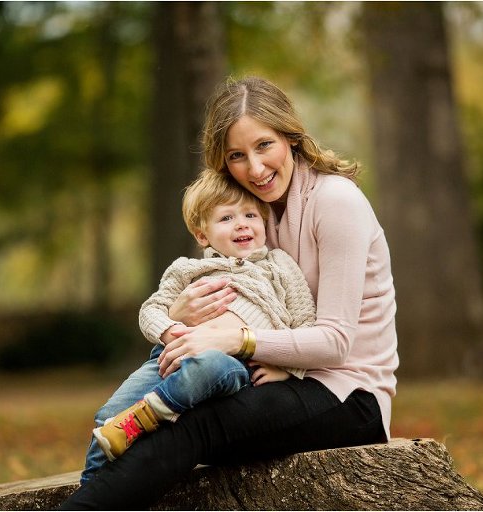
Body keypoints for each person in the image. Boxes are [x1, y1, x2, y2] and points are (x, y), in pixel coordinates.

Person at [60, 76, 399, 509]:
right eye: (237, 156)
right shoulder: (252, 213)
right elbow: (231, 298)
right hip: (272, 376)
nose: (255, 169)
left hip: (348, 394)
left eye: (264, 146)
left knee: (194, 425)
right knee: (154, 412)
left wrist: (242, 342)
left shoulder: (335, 203)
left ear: (291, 138)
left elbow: (335, 341)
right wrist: (182, 316)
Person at [81, 169, 316, 482]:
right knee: (109, 416)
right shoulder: (187, 270)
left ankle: (152, 412)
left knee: (208, 365)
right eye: (226, 218)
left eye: (250, 214)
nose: (242, 223)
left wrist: (288, 370)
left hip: (235, 363)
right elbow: (151, 309)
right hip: (170, 359)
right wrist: (170, 330)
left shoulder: (280, 266)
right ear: (202, 235)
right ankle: (92, 489)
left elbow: (305, 323)